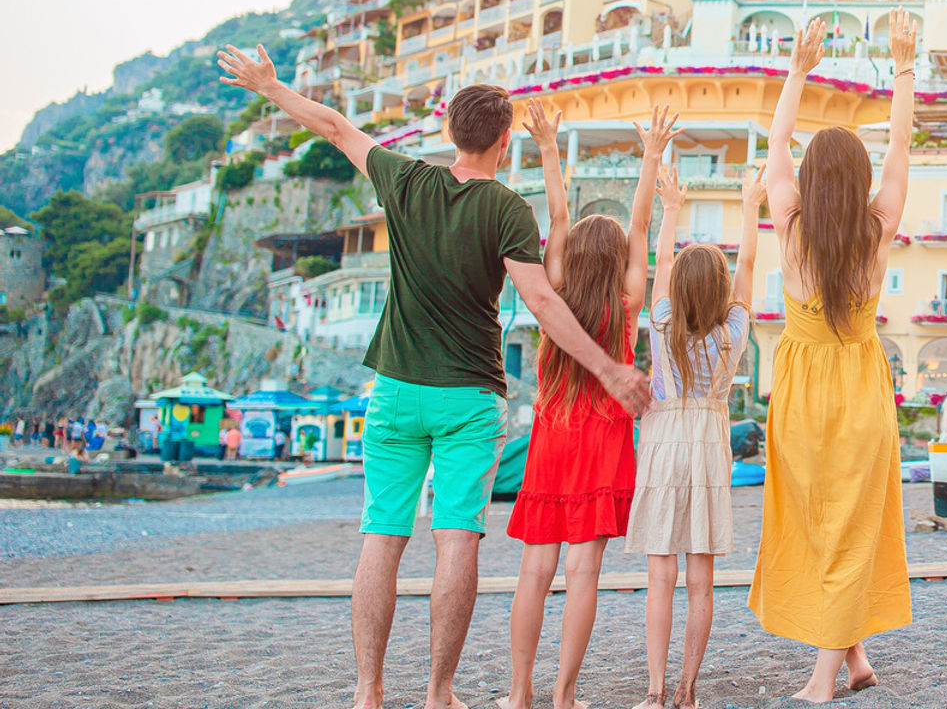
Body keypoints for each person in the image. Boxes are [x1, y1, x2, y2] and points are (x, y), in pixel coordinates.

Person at [217, 45, 646, 709]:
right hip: (469, 397)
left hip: (394, 390)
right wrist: (610, 368)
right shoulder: (507, 209)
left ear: (449, 131)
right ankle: (439, 692)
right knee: (455, 538)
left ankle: (367, 689)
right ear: (505, 141)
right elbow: (542, 303)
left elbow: (333, 126)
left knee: (382, 535)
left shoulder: (405, 179)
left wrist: (271, 87)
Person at [749, 12, 917, 703]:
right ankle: (853, 660)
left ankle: (824, 677)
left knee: (825, 522)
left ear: (813, 180)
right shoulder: (877, 230)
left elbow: (778, 141)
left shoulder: (789, 226)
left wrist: (796, 69)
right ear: (860, 179)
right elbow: (903, 147)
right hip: (861, 389)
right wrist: (903, 67)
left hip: (800, 395)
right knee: (845, 522)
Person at [500, 100, 677, 709]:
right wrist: (651, 156)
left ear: (571, 257)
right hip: (602, 443)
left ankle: (519, 691)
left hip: (552, 437)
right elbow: (642, 221)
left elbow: (558, 212)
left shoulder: (557, 288)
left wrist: (549, 146)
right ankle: (563, 694)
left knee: (533, 572)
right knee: (582, 575)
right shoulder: (627, 301)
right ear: (621, 261)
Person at [628, 160, 761, 709]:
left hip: (662, 443)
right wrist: (753, 205)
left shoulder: (662, 323)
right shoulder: (733, 333)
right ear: (722, 290)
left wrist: (672, 210)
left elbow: (660, 267)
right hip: (708, 444)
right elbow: (748, 263)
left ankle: (656, 692)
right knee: (700, 581)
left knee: (661, 578)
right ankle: (687, 691)